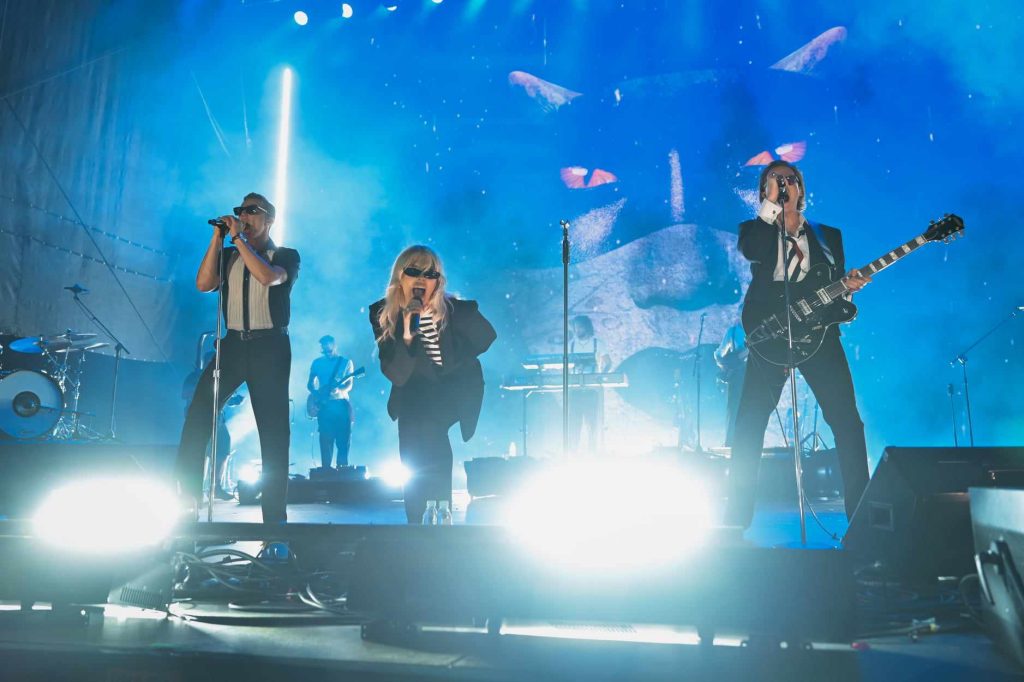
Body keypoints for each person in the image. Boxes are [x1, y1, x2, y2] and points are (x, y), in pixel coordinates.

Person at [725, 161, 871, 529]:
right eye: (774, 180)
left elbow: (832, 292)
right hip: (771, 332)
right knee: (750, 423)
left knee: (848, 422)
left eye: (790, 179)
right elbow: (753, 250)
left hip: (819, 335)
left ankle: (862, 516)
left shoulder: (828, 236)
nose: (784, 183)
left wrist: (848, 288)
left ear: (801, 188)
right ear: (764, 190)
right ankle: (737, 518)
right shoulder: (754, 231)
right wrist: (771, 205)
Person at [176, 192, 300, 524]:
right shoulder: (230, 254)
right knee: (198, 414)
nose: (243, 216)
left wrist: (238, 239)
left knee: (273, 431)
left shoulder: (285, 256)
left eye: (251, 210)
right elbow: (204, 284)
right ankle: (186, 500)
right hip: (232, 345)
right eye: (240, 211)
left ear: (269, 219)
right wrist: (218, 239)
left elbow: (268, 277)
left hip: (270, 346)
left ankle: (274, 520)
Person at [369, 245, 496, 524]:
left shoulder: (456, 310)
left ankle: (437, 510)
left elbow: (487, 336)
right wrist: (407, 333)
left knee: (428, 427)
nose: (421, 279)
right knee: (413, 433)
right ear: (400, 276)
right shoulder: (383, 313)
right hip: (412, 391)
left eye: (430, 274)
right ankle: (420, 516)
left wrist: (453, 361)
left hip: (450, 390)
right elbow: (396, 373)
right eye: (414, 271)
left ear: (437, 281)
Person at [181, 350, 246, 500]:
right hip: (200, 420)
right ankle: (196, 488)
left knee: (222, 450)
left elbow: (223, 398)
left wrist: (233, 400)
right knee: (201, 452)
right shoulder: (195, 377)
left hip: (219, 420)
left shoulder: (220, 377)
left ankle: (216, 486)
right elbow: (186, 393)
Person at [307, 335, 355, 470]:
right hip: (324, 405)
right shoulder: (316, 363)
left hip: (340, 403)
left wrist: (339, 389)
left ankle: (343, 468)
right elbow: (310, 384)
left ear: (334, 345)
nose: (326, 349)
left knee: (343, 438)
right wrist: (318, 394)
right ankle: (326, 470)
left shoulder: (345, 362)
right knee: (325, 438)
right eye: (323, 346)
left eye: (328, 346)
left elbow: (349, 385)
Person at [568, 315, 611, 454]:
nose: (577, 330)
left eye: (579, 327)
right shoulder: (571, 345)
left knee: (592, 424)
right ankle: (572, 454)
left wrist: (601, 376)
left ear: (586, 327)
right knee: (574, 424)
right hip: (575, 390)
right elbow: (567, 365)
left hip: (592, 390)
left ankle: (592, 454)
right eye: (575, 327)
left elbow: (608, 362)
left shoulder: (597, 343)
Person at [714, 316, 747, 448]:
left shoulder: (757, 330)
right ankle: (731, 444)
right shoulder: (733, 332)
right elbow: (719, 354)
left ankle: (746, 444)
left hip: (754, 374)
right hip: (738, 376)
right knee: (734, 410)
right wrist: (726, 366)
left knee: (750, 410)